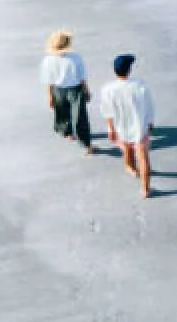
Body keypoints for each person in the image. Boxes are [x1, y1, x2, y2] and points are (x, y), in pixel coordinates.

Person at [101, 53, 156, 198]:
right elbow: (149, 107)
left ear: (115, 71)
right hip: (139, 128)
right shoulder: (139, 86)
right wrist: (150, 124)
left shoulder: (108, 89)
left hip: (120, 128)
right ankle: (145, 190)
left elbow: (107, 111)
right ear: (129, 70)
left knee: (126, 149)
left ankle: (130, 168)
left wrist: (110, 129)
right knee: (143, 158)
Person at [40, 30, 92, 153]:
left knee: (61, 113)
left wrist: (50, 96)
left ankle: (67, 132)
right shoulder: (75, 58)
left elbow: (48, 81)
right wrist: (87, 91)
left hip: (58, 90)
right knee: (80, 117)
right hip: (75, 89)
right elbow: (82, 77)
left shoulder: (48, 60)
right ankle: (86, 144)